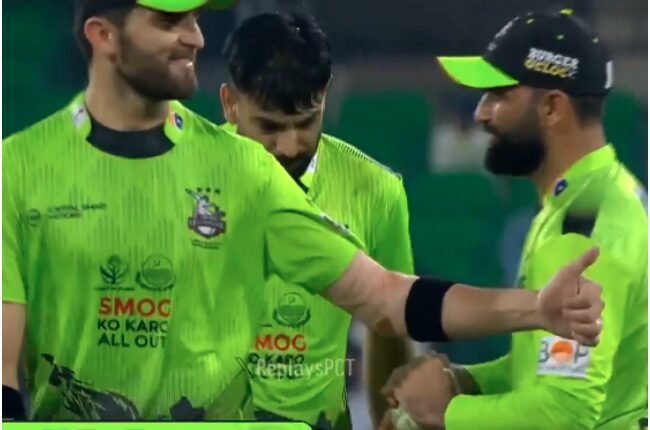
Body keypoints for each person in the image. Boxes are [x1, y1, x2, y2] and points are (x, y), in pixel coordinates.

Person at [2, 0, 604, 422]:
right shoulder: (19, 171)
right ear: (103, 36)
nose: (195, 37)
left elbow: (388, 298)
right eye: (169, 21)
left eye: (195, 20)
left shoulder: (246, 172)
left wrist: (534, 309)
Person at [381, 9, 648, 430]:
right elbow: (553, 364)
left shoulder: (581, 232)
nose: (481, 114)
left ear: (553, 108)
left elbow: (565, 414)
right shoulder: (597, 195)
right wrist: (463, 382)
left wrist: (442, 414)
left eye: (498, 95)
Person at [218, 13, 416, 429]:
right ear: (230, 103)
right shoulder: (184, 174)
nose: (290, 146)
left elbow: (390, 324)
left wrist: (391, 419)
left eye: (306, 121)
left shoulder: (376, 192)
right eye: (270, 126)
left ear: (325, 95)